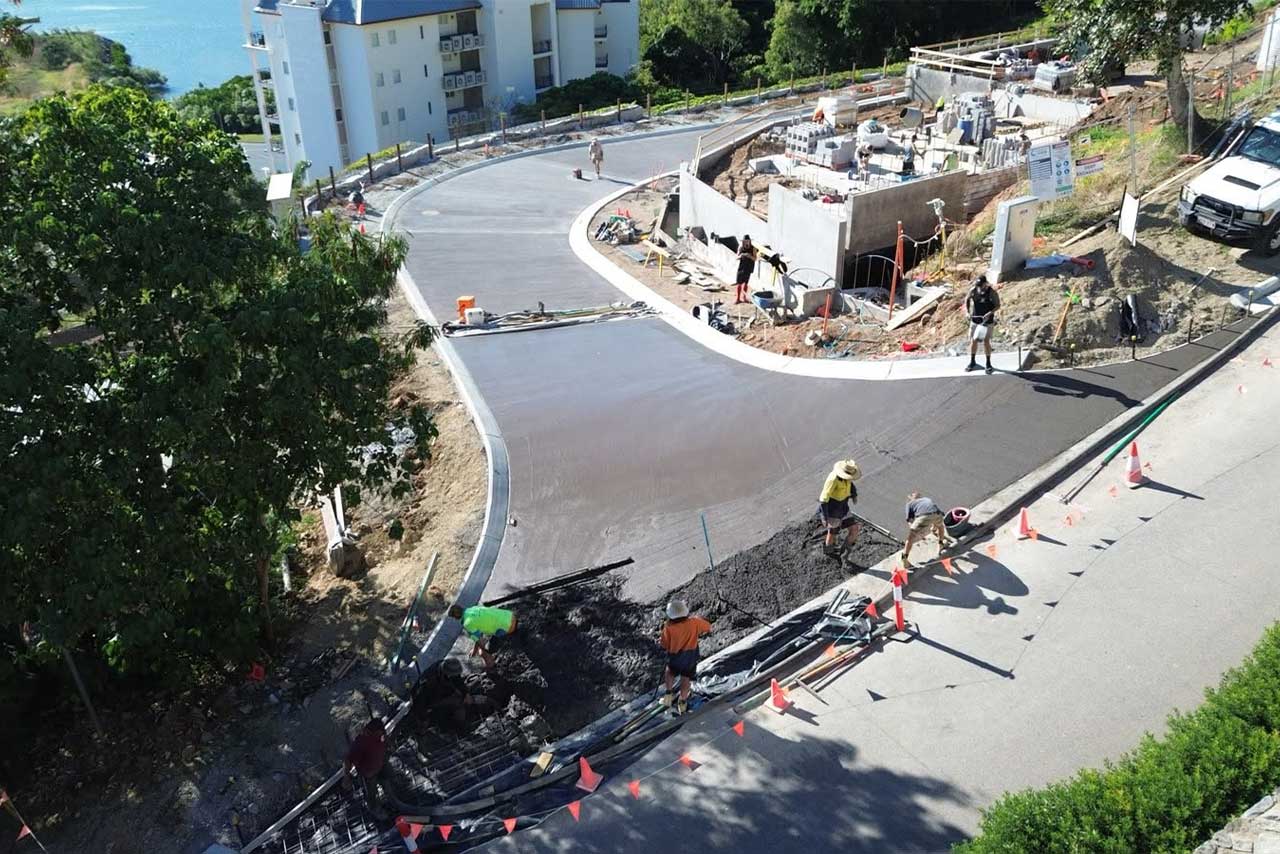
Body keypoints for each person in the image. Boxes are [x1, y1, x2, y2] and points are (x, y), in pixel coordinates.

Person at [659, 598, 712, 715]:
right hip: (691, 656)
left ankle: (668, 695)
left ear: (670, 616)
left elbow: (664, 644)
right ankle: (682, 703)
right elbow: (708, 627)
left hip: (675, 656)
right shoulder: (694, 622)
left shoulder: (668, 628)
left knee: (670, 672)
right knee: (685, 678)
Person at [342, 717, 390, 818]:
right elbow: (348, 759)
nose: (381, 735)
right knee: (371, 794)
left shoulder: (381, 736)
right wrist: (346, 776)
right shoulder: (360, 742)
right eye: (379, 733)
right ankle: (374, 809)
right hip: (368, 775)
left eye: (381, 733)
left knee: (387, 779)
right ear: (371, 732)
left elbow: (384, 744)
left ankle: (389, 795)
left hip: (380, 766)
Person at [447, 603, 517, 668]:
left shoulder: (467, 624)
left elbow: (480, 641)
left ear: (455, 617)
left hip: (509, 627)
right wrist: (475, 650)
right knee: (485, 640)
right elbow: (477, 637)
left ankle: (491, 667)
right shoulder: (473, 608)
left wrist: (486, 653)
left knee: (482, 653)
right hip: (510, 616)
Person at [818, 459, 862, 557]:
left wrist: (854, 494)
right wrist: (824, 517)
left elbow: (850, 485)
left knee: (854, 529)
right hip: (833, 510)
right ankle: (829, 552)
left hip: (844, 507)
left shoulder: (847, 479)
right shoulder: (833, 479)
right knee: (833, 533)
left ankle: (844, 552)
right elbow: (823, 499)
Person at [902, 492, 956, 567]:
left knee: (910, 539)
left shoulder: (910, 504)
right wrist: (934, 528)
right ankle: (941, 544)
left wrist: (917, 533)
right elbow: (935, 511)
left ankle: (904, 557)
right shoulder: (926, 499)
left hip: (923, 516)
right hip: (936, 514)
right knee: (940, 527)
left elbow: (909, 521)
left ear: (911, 498)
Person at [965, 274, 1001, 374]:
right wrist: (967, 312)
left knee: (986, 341)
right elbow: (967, 299)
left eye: (981, 285)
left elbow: (998, 305)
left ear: (985, 284)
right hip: (975, 319)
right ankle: (972, 361)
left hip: (987, 321)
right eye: (978, 285)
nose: (979, 287)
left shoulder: (992, 292)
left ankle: (988, 363)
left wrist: (990, 312)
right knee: (973, 340)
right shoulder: (973, 290)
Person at [734, 234, 758, 304]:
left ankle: (744, 298)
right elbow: (737, 257)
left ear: (750, 241)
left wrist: (749, 256)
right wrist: (741, 255)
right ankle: (738, 298)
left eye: (747, 241)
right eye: (745, 241)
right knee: (739, 283)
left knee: (745, 283)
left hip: (749, 267)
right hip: (741, 267)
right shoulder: (741, 247)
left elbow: (755, 258)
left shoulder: (753, 248)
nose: (746, 242)